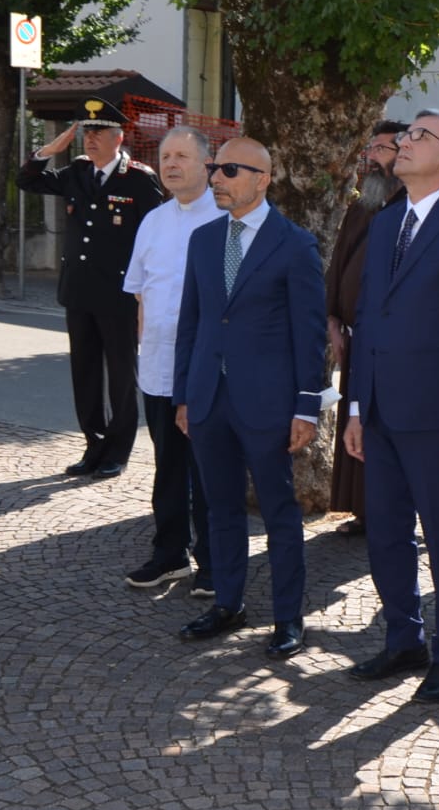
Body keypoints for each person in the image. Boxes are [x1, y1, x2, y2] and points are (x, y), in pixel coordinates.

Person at [343, 110, 439, 701]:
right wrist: (356, 407)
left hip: (436, 416)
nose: (403, 143)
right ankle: (403, 638)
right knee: (386, 532)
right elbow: (366, 318)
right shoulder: (387, 220)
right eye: (405, 134)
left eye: (419, 136)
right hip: (379, 410)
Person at [173, 135, 327, 660]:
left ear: (262, 179)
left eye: (228, 170)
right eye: (214, 168)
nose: (215, 178)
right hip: (208, 399)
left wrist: (306, 406)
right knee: (219, 508)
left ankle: (288, 618)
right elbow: (191, 323)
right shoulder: (203, 239)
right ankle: (228, 603)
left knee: (279, 512)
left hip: (267, 404)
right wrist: (184, 396)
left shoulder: (295, 244)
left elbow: (310, 335)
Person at [18, 97, 164, 478]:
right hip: (79, 291)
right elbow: (26, 181)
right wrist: (49, 150)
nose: (91, 138)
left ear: (118, 138)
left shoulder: (138, 178)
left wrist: (147, 293)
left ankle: (118, 451)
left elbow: (156, 237)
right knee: (84, 373)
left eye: (99, 132)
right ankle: (94, 445)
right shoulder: (78, 171)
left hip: (119, 294)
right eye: (87, 132)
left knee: (121, 376)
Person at [122, 125, 224, 592]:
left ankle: (214, 562)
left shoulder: (225, 219)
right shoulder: (153, 220)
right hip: (159, 367)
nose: (171, 164)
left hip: (206, 368)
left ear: (207, 164)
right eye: (165, 157)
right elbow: (141, 294)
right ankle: (169, 554)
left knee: (208, 468)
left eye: (182, 156)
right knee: (167, 466)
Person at [325, 121, 405, 535]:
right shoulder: (363, 204)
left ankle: (400, 515)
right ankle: (364, 511)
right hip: (357, 340)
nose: (371, 157)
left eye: (381, 149)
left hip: (397, 346)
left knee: (393, 427)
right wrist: (333, 317)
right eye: (370, 148)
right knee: (359, 423)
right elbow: (339, 259)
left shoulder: (412, 207)